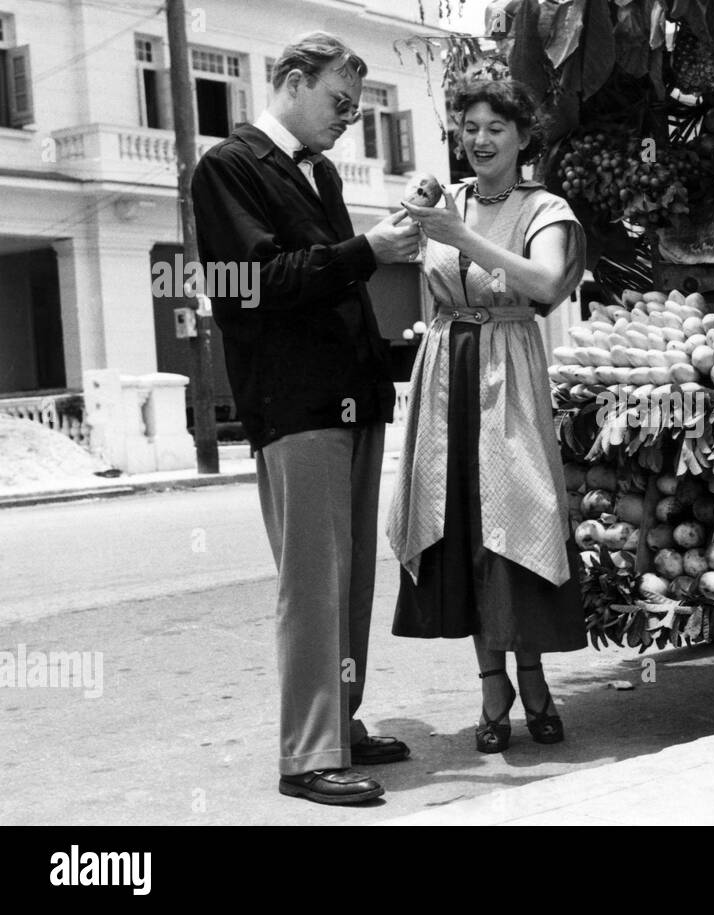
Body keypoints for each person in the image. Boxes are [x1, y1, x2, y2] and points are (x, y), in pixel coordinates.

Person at [192, 32, 420, 805]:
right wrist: (368, 250)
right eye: (339, 103)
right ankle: (306, 754)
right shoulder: (227, 167)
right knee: (313, 583)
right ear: (291, 81)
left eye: (357, 111)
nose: (348, 121)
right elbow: (248, 285)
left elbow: (328, 278)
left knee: (351, 577)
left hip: (348, 396)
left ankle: (340, 726)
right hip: (293, 403)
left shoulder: (316, 172)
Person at [387, 78, 587, 754]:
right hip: (448, 367)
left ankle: (532, 677)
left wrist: (457, 236)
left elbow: (544, 283)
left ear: (524, 137)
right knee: (463, 524)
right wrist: (413, 221)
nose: (479, 140)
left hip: (510, 365)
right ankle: (491, 685)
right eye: (469, 127)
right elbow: (395, 257)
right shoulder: (447, 202)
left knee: (518, 513)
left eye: (495, 128)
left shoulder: (545, 207)